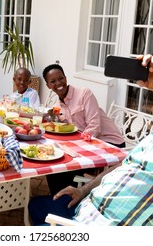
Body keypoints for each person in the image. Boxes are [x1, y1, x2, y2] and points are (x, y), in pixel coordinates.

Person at [29, 54, 153, 226]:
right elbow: (122, 165)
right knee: (35, 205)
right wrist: (82, 190)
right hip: (86, 206)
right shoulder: (152, 139)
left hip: (97, 224)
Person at [42, 63, 125, 194]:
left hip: (110, 143)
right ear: (48, 86)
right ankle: (61, 199)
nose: (58, 83)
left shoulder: (84, 93)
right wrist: (52, 121)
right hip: (87, 144)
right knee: (54, 165)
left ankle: (72, 198)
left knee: (65, 167)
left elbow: (94, 126)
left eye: (60, 78)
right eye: (53, 81)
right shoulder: (58, 106)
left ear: (65, 77)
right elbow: (67, 129)